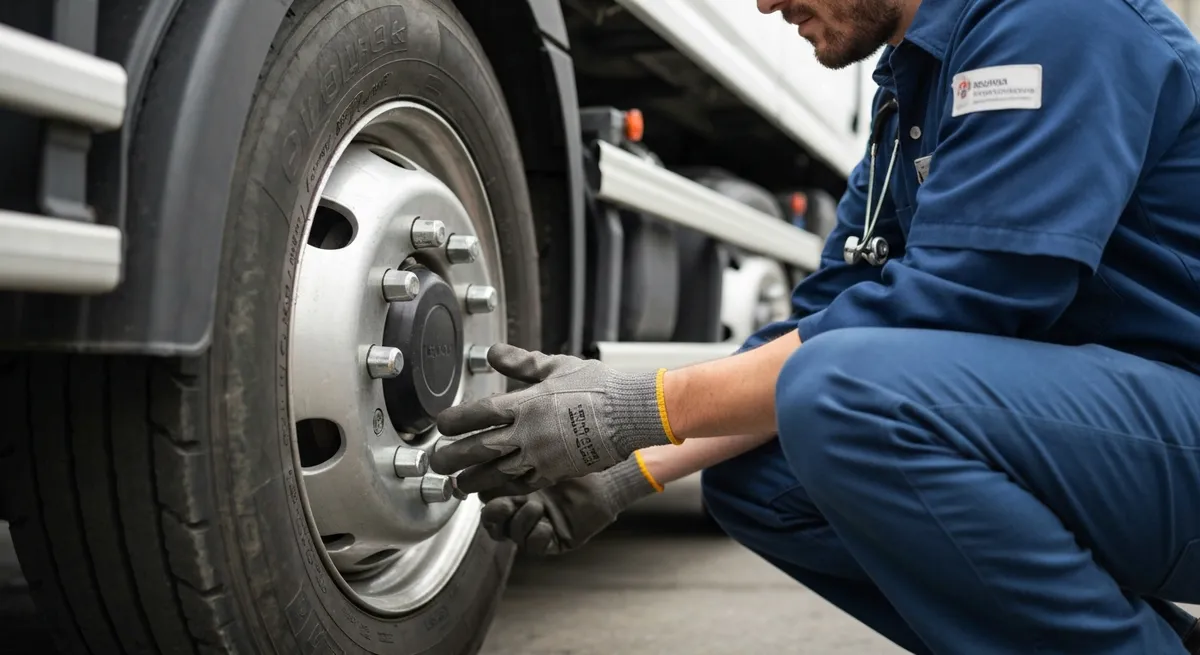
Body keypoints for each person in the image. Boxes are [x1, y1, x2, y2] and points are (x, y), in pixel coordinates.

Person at [429, 0, 1200, 652]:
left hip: (1180, 433)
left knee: (843, 394)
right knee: (758, 480)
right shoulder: (909, 91)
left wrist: (630, 408)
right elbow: (827, 316)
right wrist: (633, 466)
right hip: (1121, 446)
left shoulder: (1055, 21)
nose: (765, 2)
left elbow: (963, 299)